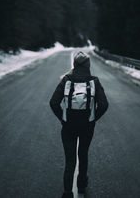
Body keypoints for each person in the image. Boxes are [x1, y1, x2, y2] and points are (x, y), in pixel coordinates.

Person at [50, 51, 109, 198]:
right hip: (87, 127)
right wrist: (93, 119)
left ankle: (68, 192)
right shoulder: (94, 81)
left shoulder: (66, 80)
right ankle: (82, 185)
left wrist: (63, 119)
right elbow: (104, 105)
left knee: (70, 160)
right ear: (88, 65)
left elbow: (53, 103)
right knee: (83, 155)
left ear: (74, 65)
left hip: (68, 127)